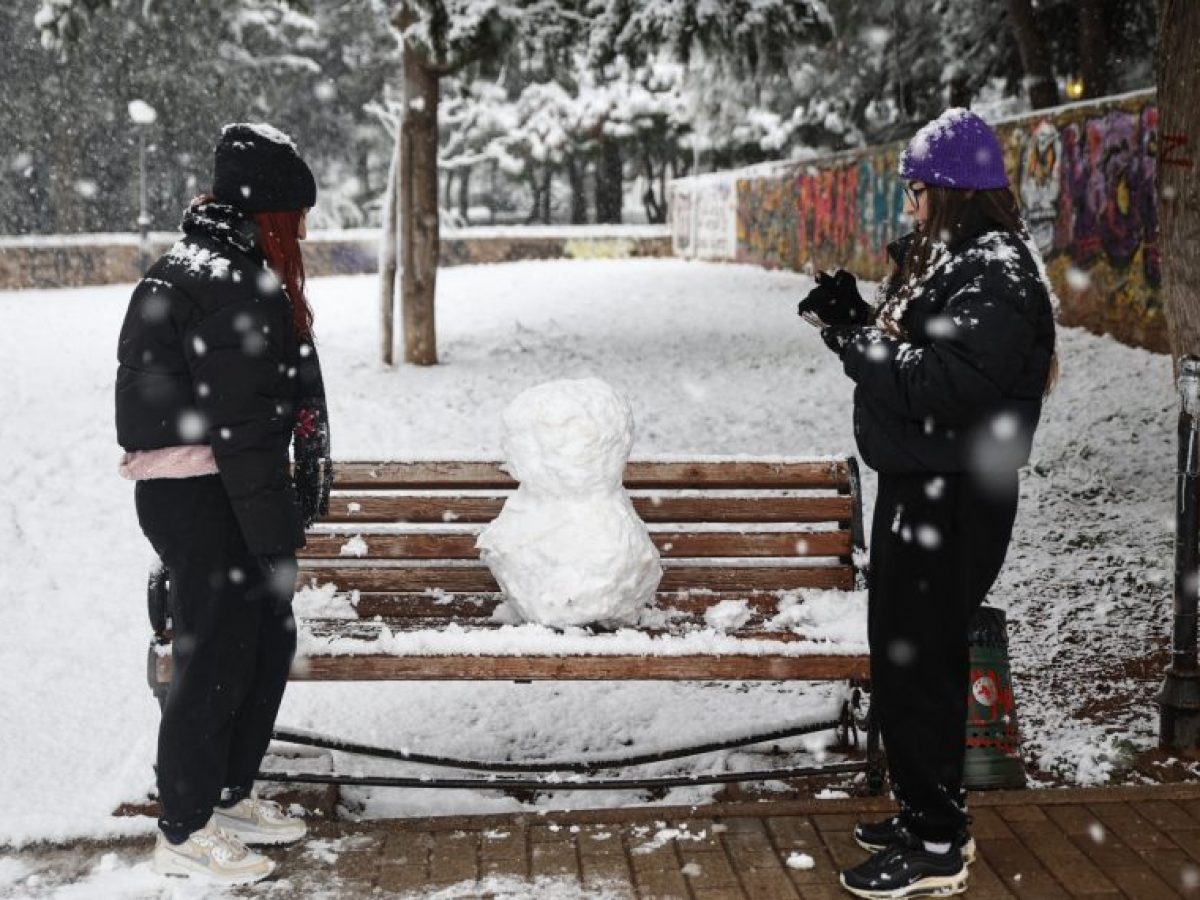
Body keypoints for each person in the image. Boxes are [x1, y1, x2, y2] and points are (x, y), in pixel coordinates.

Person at [798, 108, 1057, 899]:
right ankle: (925, 816)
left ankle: (937, 844)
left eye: (916, 191)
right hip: (924, 484)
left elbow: (936, 384)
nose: (908, 204)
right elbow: (917, 357)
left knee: (921, 664)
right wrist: (853, 319)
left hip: (952, 495)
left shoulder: (995, 272)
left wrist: (855, 340)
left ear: (950, 192)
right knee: (907, 657)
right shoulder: (960, 260)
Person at [115, 123, 333, 884]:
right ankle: (183, 827)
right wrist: (274, 536)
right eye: (292, 219)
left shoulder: (224, 269)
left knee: (263, 641)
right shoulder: (223, 282)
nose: (298, 234)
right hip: (200, 495)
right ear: (267, 212)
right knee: (215, 656)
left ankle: (228, 794)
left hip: (219, 488)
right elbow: (243, 429)